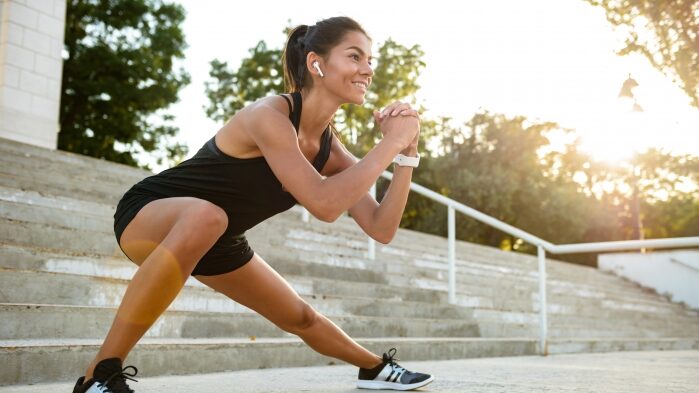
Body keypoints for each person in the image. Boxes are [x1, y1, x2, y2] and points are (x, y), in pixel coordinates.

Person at [73, 16, 434, 392]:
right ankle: (98, 376)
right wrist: (388, 143)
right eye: (355, 57)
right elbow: (324, 205)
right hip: (151, 211)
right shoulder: (269, 117)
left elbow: (381, 227)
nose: (367, 69)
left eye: (371, 60)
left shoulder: (329, 149)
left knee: (301, 316)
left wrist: (406, 155)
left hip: (217, 236)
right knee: (206, 215)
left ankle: (375, 368)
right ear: (317, 64)